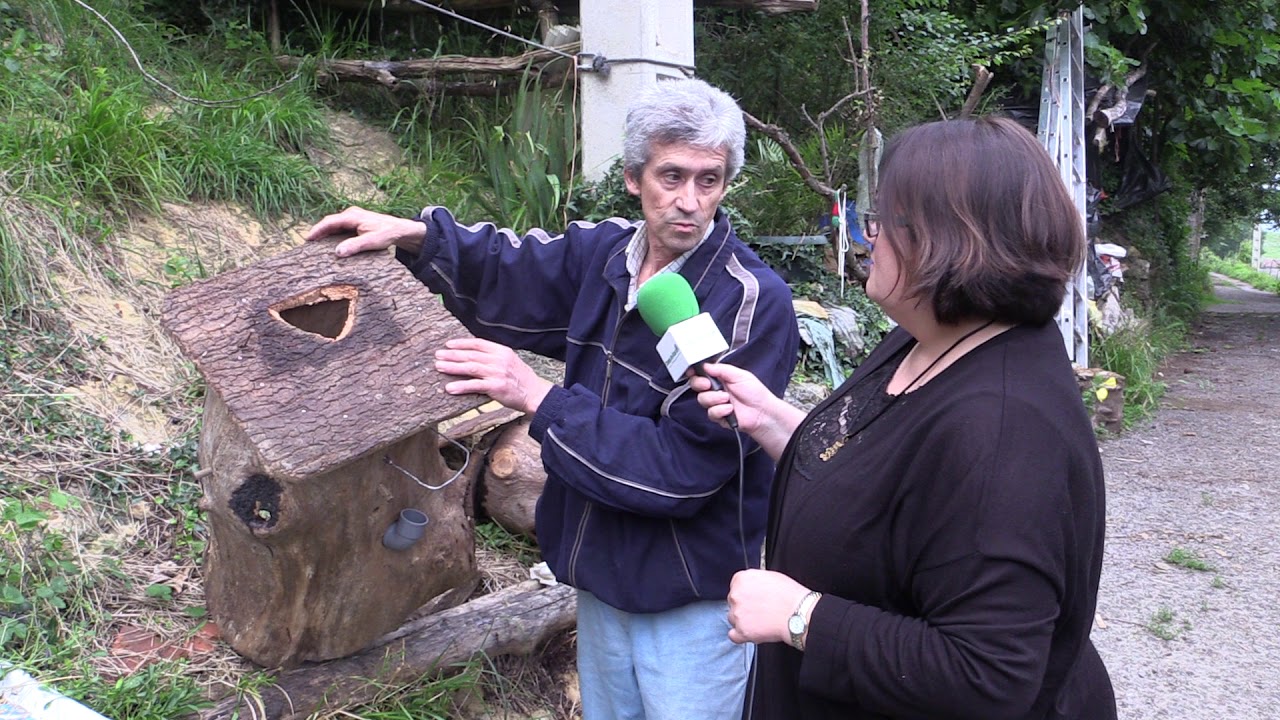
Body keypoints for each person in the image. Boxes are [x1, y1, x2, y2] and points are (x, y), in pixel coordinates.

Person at [306, 78, 801, 720]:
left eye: (708, 181)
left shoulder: (750, 304)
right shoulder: (605, 254)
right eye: (671, 176)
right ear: (633, 176)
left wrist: (537, 397)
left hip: (690, 596)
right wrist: (415, 237)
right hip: (600, 577)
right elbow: (512, 269)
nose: (689, 202)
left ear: (726, 184)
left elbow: (681, 473)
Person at [690, 116, 1117, 720]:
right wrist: (778, 423)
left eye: (883, 222)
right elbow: (889, 482)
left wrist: (801, 616)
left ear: (946, 240)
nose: (868, 239)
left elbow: (988, 674)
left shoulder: (1003, 429)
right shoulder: (933, 337)